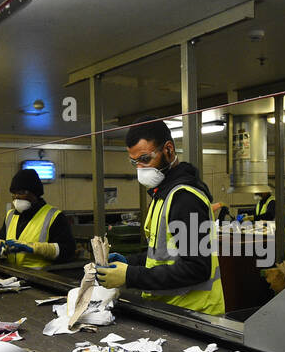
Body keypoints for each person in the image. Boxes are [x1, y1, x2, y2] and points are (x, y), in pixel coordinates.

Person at [94, 121, 225, 316]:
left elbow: (196, 268)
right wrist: (129, 262)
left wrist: (129, 275)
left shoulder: (185, 198)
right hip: (172, 308)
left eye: (145, 159)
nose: (140, 168)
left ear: (168, 150)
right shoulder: (163, 195)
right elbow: (163, 254)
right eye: (134, 162)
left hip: (196, 314)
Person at [0, 168, 75, 268]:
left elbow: (68, 251)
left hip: (41, 278)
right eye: (14, 193)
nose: (16, 197)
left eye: (22, 192)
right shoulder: (11, 215)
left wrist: (35, 248)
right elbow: (2, 240)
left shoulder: (54, 216)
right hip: (12, 276)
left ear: (35, 193)